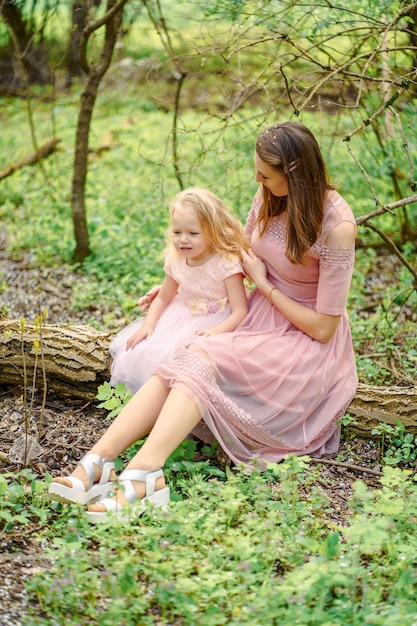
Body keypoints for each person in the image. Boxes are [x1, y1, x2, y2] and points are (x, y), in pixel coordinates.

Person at [49, 121, 358, 522]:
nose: (258, 180)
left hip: (302, 341)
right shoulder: (270, 195)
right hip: (259, 315)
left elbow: (323, 327)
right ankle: (97, 462)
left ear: (295, 172)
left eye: (265, 174)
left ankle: (143, 475)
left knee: (200, 356)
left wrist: (265, 287)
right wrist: (178, 286)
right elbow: (235, 254)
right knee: (184, 356)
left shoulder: (338, 227)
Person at [108, 187, 249, 394]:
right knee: (150, 351)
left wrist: (213, 332)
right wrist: (148, 325)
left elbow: (240, 311)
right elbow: (164, 297)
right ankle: (153, 399)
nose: (183, 239)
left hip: (219, 321)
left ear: (212, 231)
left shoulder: (226, 264)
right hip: (180, 316)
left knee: (194, 360)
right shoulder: (176, 261)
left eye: (193, 233)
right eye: (177, 232)